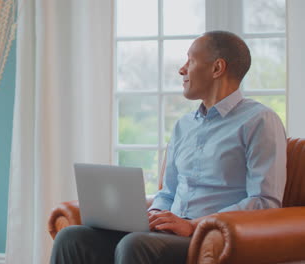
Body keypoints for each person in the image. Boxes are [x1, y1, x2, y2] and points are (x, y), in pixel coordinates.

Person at [49, 30, 287, 264]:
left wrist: (195, 224)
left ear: (217, 68)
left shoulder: (260, 120)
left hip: (206, 236)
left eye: (190, 61)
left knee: (135, 244)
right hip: (170, 231)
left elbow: (264, 201)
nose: (182, 69)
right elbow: (168, 192)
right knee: (72, 237)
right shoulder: (184, 125)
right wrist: (153, 216)